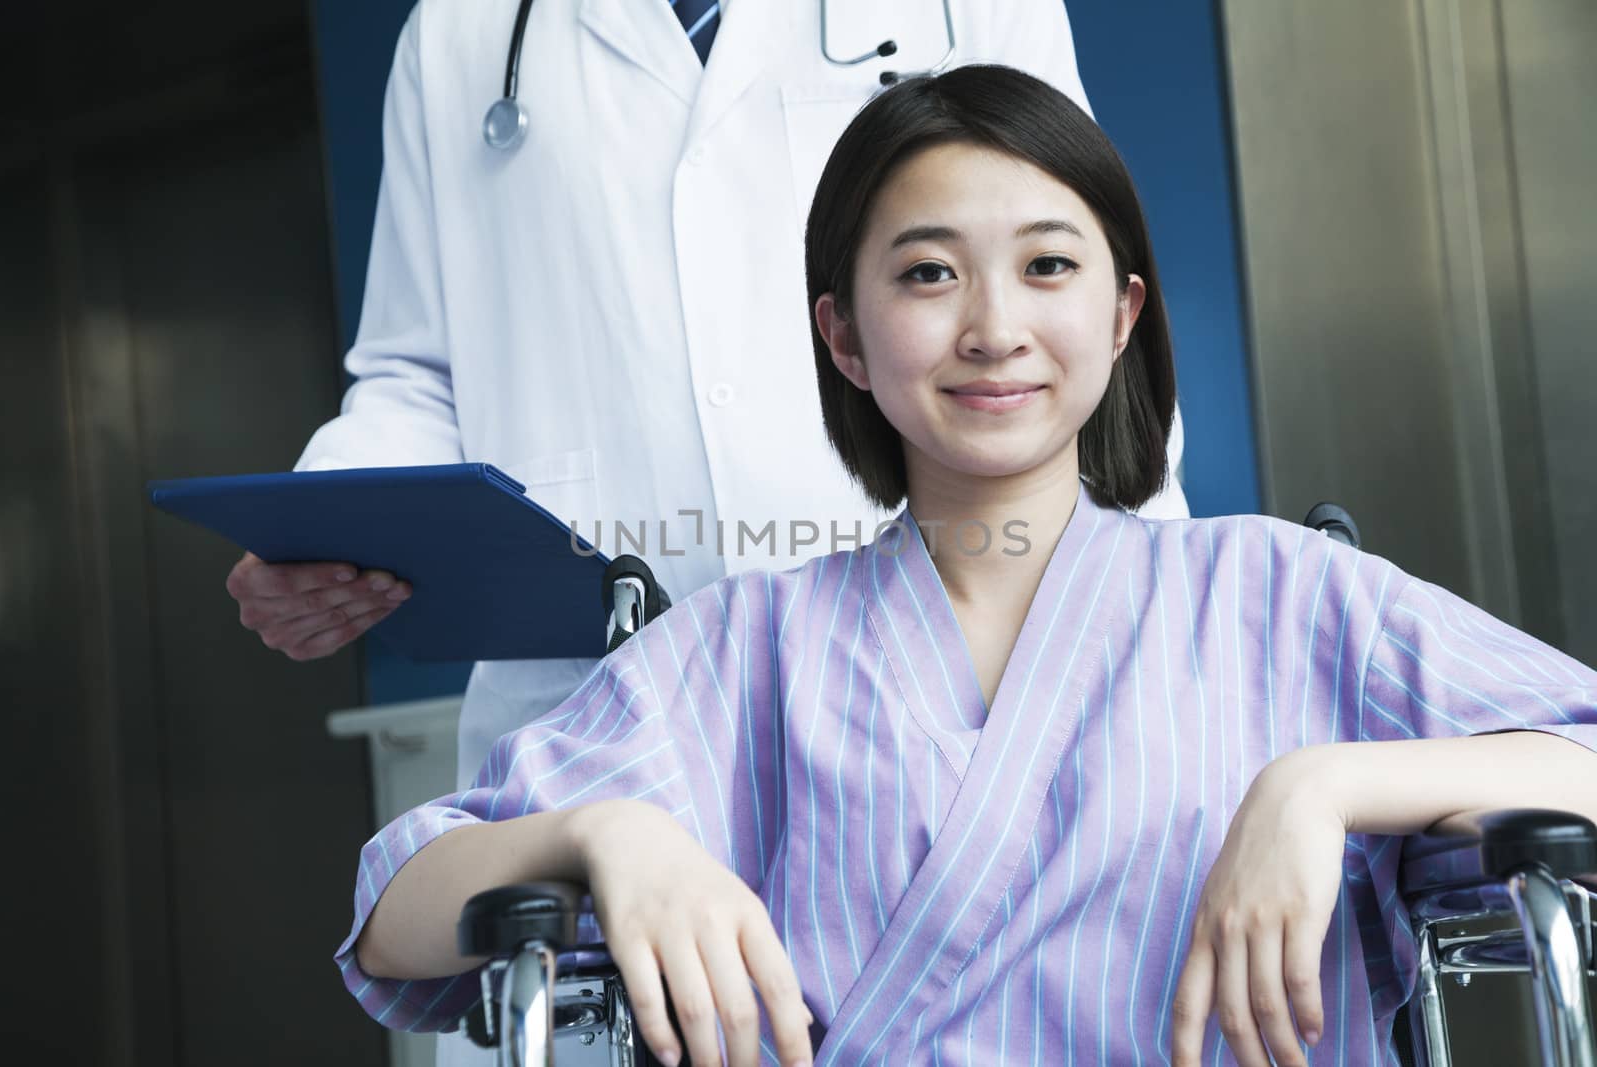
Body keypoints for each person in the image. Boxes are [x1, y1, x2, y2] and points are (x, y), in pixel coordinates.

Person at [334, 65, 1597, 1065]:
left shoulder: (1283, 592)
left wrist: (1321, 787)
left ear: (1119, 316)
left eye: (1048, 264)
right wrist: (606, 833)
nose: (992, 327)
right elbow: (395, 917)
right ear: (842, 335)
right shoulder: (743, 648)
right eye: (929, 273)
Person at [224, 0, 1190, 794]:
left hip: (927, 663)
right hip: (594, 708)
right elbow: (415, 369)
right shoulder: (461, 33)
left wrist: (1147, 609)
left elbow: (1070, 271)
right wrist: (332, 529)